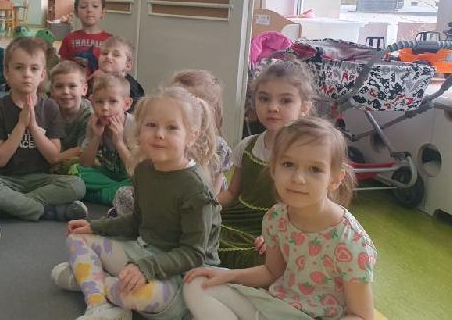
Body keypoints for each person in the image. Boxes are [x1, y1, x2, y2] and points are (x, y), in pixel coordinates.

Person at [52, 87, 221, 320]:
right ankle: (98, 305)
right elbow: (137, 221)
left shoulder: (196, 189)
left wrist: (146, 268)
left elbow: (194, 254)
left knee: (140, 295)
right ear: (139, 129)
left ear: (191, 136)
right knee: (76, 238)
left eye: (172, 128)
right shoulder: (144, 170)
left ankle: (91, 281)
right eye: (151, 125)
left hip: (182, 274)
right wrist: (95, 226)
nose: (159, 134)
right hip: (143, 252)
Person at [184, 117, 375, 320]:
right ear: (273, 169)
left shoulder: (351, 240)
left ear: (335, 179)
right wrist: (227, 275)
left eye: (315, 169)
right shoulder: (276, 217)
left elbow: (361, 316)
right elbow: (271, 272)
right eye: (288, 164)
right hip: (274, 306)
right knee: (197, 285)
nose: (298, 178)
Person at [0, 37, 87, 222]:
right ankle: (47, 211)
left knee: (77, 185)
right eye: (19, 68)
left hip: (41, 179)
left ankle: (10, 208)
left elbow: (53, 157)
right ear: (7, 73)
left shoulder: (50, 107)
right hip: (6, 180)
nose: (27, 74)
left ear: (42, 75)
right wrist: (20, 125)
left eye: (34, 69)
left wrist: (33, 126)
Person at [218, 60, 315, 269]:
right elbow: (232, 194)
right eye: (264, 98)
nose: (272, 107)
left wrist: (278, 233)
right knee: (197, 235)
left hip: (279, 228)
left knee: (268, 259)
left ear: (304, 108)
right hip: (236, 220)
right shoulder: (247, 145)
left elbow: (311, 209)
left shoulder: (309, 155)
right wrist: (205, 204)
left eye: (285, 100)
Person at [112, 69, 231, 217]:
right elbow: (144, 173)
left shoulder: (217, 146)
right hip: (164, 190)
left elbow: (214, 188)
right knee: (126, 195)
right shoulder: (159, 137)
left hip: (192, 203)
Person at [76, 74, 134, 205]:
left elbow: (136, 170)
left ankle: (97, 195)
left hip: (128, 176)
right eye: (99, 102)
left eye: (113, 101)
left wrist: (119, 142)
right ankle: (119, 193)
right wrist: (96, 136)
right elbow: (85, 164)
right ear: (92, 102)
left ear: (127, 104)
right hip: (106, 175)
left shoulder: (134, 126)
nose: (105, 108)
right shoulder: (93, 123)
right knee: (78, 172)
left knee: (142, 181)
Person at [48, 61, 92, 175]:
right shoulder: (47, 111)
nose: (66, 92)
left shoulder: (90, 115)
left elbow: (82, 149)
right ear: (52, 90)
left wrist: (54, 159)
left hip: (82, 162)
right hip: (57, 159)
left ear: (84, 89)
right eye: (59, 86)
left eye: (72, 86)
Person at [59, 0, 113, 77]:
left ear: (103, 12)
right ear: (76, 12)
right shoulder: (68, 39)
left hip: (102, 84)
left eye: (95, 6)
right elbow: (62, 67)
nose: (89, 10)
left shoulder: (110, 40)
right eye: (83, 6)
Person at [91, 36, 144, 111]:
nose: (108, 56)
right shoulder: (92, 80)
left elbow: (137, 112)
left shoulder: (132, 88)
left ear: (128, 65)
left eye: (116, 55)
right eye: (105, 53)